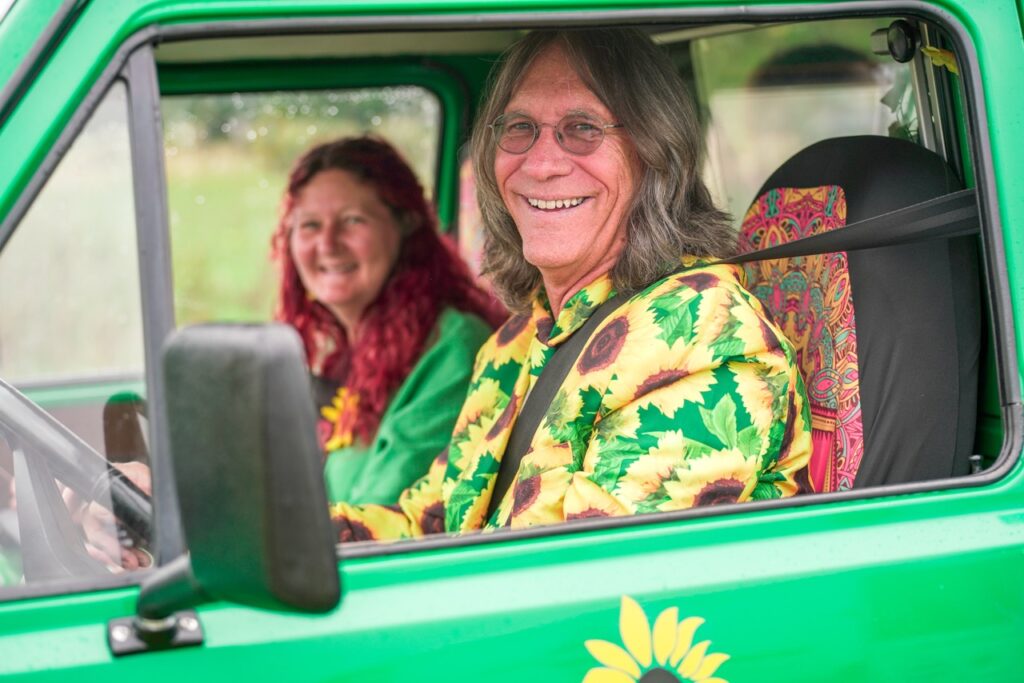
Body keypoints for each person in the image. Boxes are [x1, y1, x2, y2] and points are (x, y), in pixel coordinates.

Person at [331, 28, 811, 541]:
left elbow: (588, 568)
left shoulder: (703, 333)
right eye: (520, 127)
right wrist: (301, 533)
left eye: (582, 128)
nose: (540, 165)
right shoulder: (518, 339)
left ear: (655, 153)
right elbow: (430, 522)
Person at [272, 136, 505, 505]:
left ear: (407, 223)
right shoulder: (342, 355)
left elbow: (385, 512)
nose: (328, 244)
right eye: (310, 225)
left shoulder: (454, 348)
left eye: (352, 221)